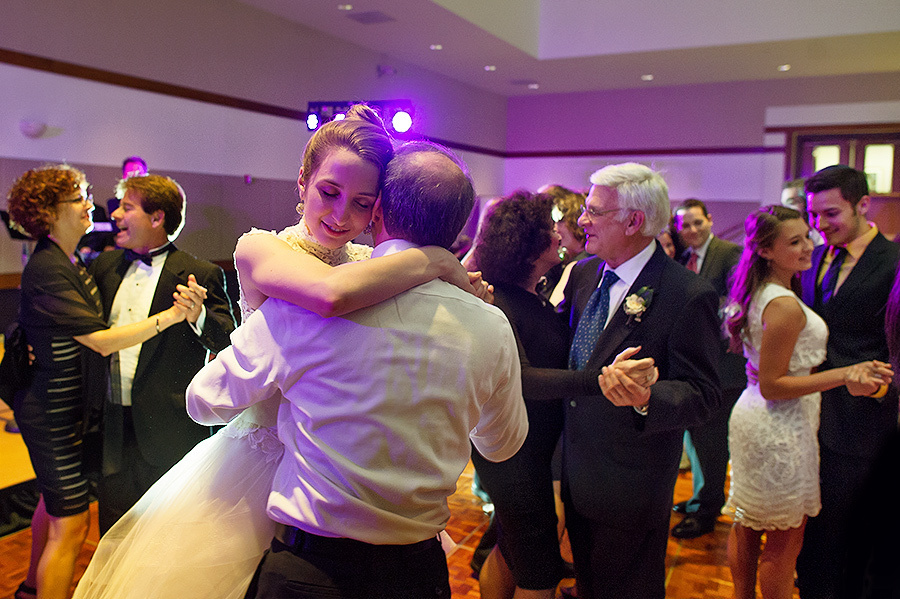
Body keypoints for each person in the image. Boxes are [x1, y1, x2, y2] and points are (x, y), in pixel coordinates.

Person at [73, 106, 477, 599]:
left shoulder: (372, 262)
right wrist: (438, 261)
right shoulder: (261, 249)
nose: (341, 216)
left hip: (340, 462)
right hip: (261, 460)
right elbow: (328, 294)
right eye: (329, 192)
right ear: (302, 181)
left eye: (361, 203)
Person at [187, 141, 529, 599]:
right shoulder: (489, 324)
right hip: (416, 574)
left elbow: (204, 402)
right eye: (330, 192)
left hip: (308, 570)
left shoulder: (298, 307)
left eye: (362, 202)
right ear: (460, 227)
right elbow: (502, 446)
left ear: (377, 211)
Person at [7, 165, 193, 599]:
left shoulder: (71, 259)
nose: (91, 205)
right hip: (50, 412)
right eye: (79, 198)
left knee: (51, 503)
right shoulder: (50, 267)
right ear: (50, 212)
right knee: (72, 522)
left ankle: (31, 588)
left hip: (67, 406)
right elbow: (101, 341)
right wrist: (170, 316)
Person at [470, 191, 652, 599]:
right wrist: (598, 380)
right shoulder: (499, 302)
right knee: (539, 575)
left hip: (530, 448)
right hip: (513, 453)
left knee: (509, 549)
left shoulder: (531, 292)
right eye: (549, 228)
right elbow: (524, 378)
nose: (559, 234)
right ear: (529, 246)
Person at [557, 162, 722, 599]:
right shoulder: (584, 274)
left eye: (594, 211)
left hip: (632, 484)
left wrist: (648, 396)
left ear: (633, 221)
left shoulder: (687, 294)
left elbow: (704, 394)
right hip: (575, 469)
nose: (582, 220)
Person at [723, 205, 892, 599]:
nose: (809, 246)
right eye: (795, 241)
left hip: (759, 414)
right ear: (765, 250)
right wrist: (846, 374)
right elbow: (773, 385)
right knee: (784, 544)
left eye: (806, 237)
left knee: (748, 524)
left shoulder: (762, 291)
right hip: (779, 424)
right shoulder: (783, 304)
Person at [88, 173, 238, 534]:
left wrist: (198, 315)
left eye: (126, 208)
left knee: (166, 530)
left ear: (157, 218)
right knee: (112, 527)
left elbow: (229, 342)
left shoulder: (199, 273)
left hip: (169, 428)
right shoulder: (103, 266)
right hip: (111, 423)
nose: (116, 215)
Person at [795, 164, 900, 599]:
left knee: (845, 534)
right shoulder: (813, 256)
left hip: (860, 420)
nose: (820, 224)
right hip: (806, 412)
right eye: (813, 215)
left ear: (863, 205)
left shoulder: (893, 262)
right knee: (810, 531)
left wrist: (881, 388)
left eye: (831, 213)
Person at [671, 198, 746, 539]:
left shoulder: (729, 253)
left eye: (697, 222)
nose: (692, 230)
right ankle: (701, 497)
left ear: (710, 220)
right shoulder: (684, 259)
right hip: (695, 362)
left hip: (723, 363)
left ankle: (708, 511)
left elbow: (738, 301)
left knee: (712, 441)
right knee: (698, 439)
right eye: (685, 225)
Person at [78, 156, 149, 264]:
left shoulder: (152, 203)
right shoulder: (113, 203)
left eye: (138, 173)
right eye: (130, 173)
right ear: (123, 176)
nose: (134, 177)